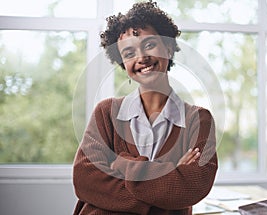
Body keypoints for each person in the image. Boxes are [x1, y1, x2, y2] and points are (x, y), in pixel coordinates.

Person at [72, 1, 218, 214]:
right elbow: (85, 181)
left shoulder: (199, 119)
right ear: (123, 62)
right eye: (129, 53)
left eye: (149, 45)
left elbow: (192, 187)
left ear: (168, 48)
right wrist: (170, 176)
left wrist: (123, 164)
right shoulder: (105, 113)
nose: (141, 58)